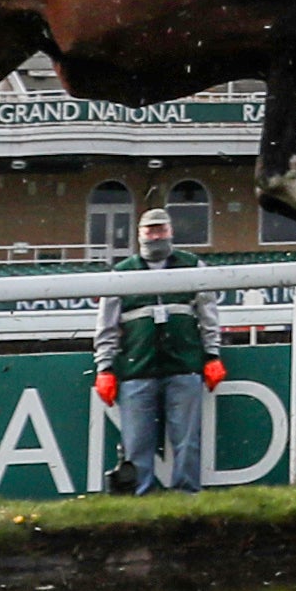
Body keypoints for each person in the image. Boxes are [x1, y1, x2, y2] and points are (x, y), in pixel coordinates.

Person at [93, 207, 221, 494]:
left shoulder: (192, 266)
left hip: (184, 366)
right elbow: (106, 327)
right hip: (137, 370)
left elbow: (208, 315)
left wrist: (212, 355)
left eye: (161, 230)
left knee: (187, 440)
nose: (156, 236)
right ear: (140, 235)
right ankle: (141, 497)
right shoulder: (120, 274)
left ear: (171, 232)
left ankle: (187, 492)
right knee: (137, 443)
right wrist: (105, 368)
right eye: (150, 231)